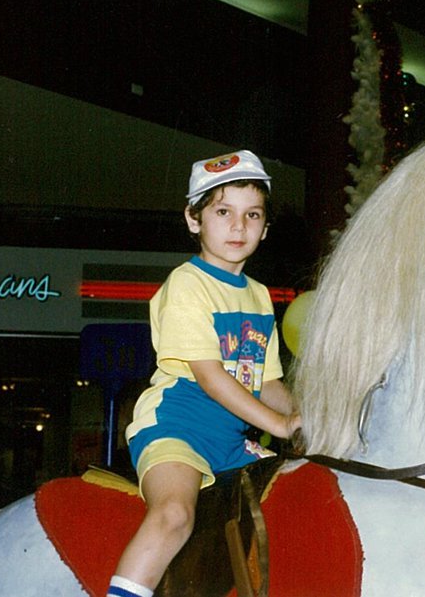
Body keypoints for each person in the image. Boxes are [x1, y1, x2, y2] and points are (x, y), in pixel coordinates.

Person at [106, 150, 301, 597]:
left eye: (252, 214)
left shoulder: (258, 295)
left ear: (265, 228)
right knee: (174, 514)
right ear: (194, 220)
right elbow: (212, 378)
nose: (238, 226)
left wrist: (314, 417)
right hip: (178, 428)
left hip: (231, 441)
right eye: (222, 211)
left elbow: (265, 381)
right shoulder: (187, 284)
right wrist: (282, 425)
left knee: (298, 501)